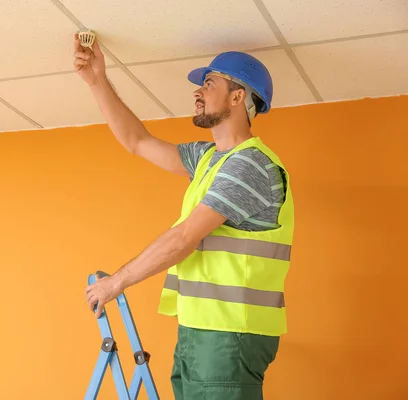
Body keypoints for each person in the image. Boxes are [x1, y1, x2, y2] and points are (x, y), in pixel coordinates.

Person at [74, 33, 294, 400]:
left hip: (230, 332)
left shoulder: (250, 165)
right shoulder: (209, 159)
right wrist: (97, 81)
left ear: (238, 97)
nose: (198, 91)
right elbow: (137, 142)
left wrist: (115, 283)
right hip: (200, 329)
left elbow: (183, 239)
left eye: (209, 83)